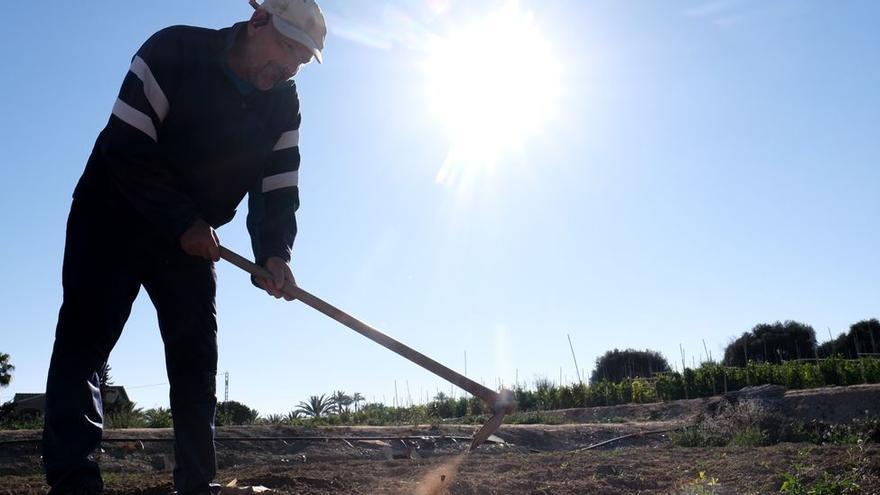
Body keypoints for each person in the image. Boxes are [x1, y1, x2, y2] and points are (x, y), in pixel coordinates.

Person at [41, 1, 327, 493]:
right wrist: (182, 221)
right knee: (83, 345)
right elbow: (125, 146)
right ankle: (74, 481)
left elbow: (277, 188)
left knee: (196, 357)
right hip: (111, 214)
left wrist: (275, 253)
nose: (287, 66)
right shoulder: (173, 50)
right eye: (284, 47)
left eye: (300, 59)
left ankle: (197, 485)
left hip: (192, 240)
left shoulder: (284, 102)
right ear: (257, 22)